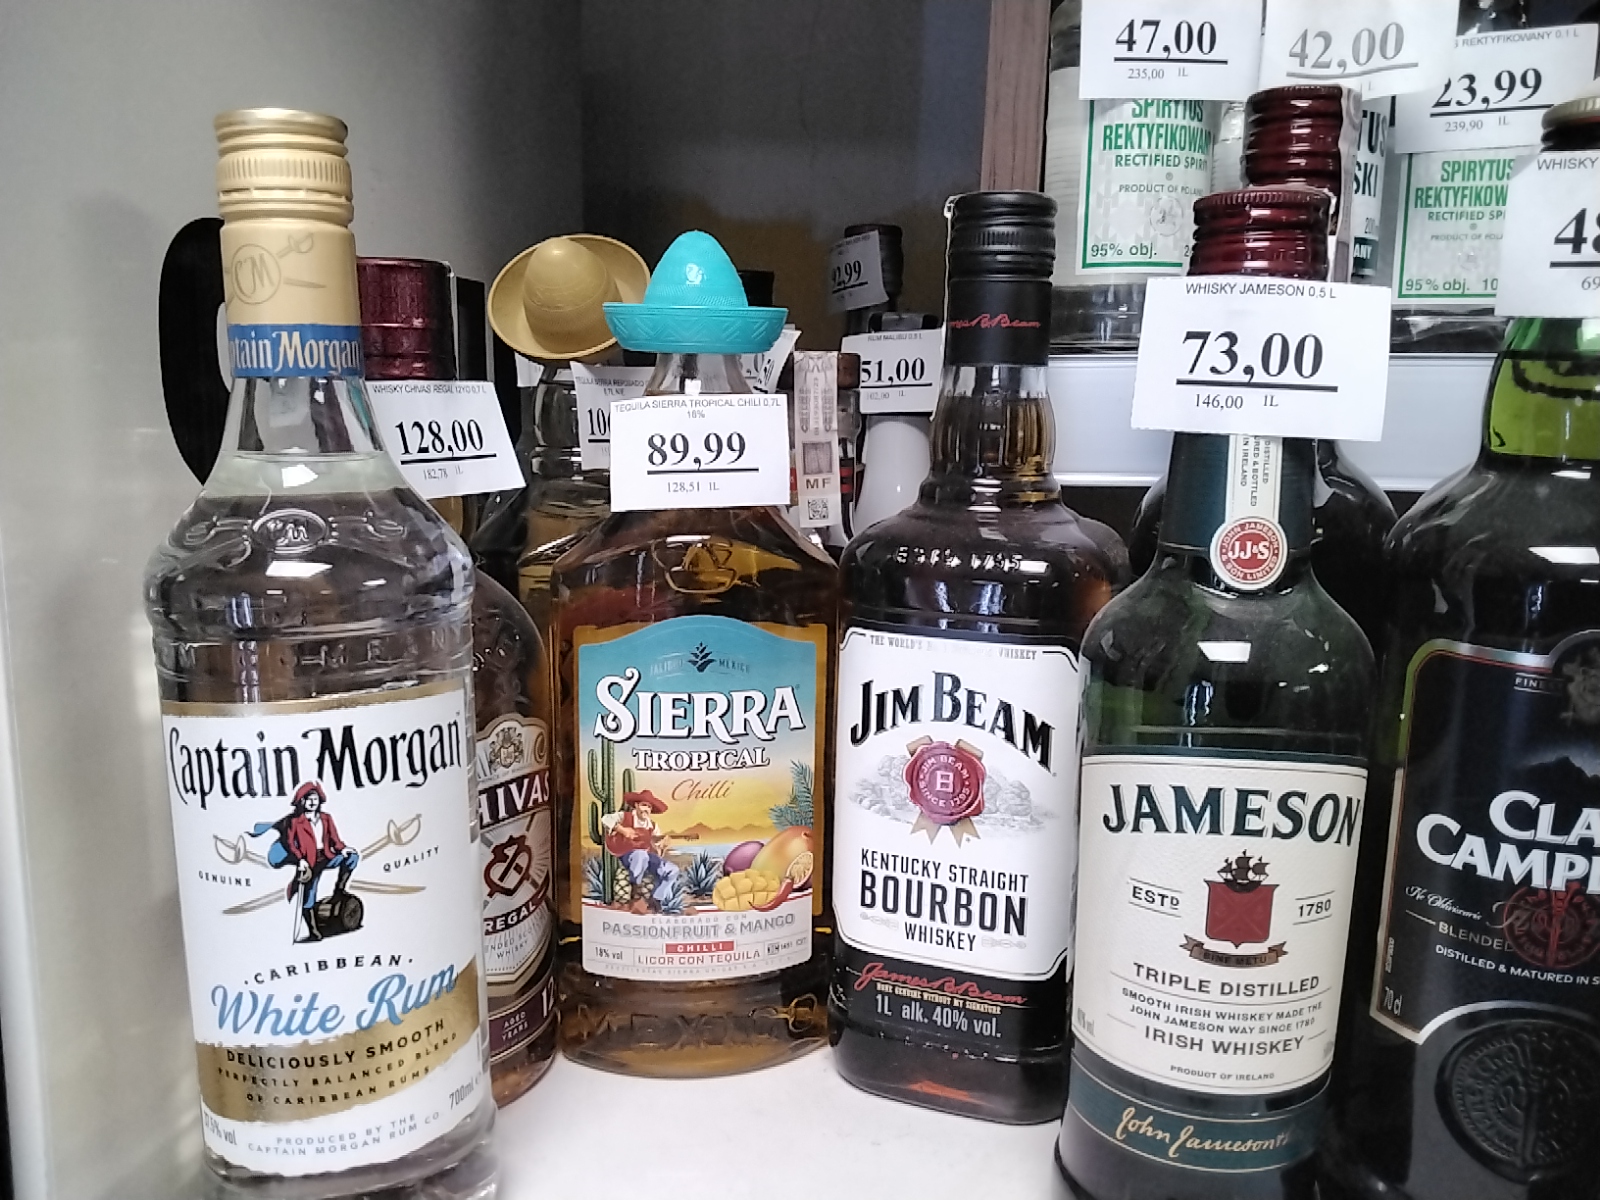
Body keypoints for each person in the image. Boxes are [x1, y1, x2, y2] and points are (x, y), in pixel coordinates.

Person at [282, 781, 360, 941]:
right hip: (310, 862)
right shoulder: (295, 822)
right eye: (308, 799)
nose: (312, 802)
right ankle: (314, 932)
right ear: (302, 801)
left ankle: (339, 890)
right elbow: (291, 844)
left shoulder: (326, 818)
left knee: (352, 857)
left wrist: (342, 849)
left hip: (326, 855)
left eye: (315, 799)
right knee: (309, 897)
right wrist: (300, 860)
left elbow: (334, 838)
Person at [600, 790, 680, 911]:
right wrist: (622, 830)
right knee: (640, 855)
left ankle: (656, 899)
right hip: (627, 855)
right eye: (644, 805)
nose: (646, 809)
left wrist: (662, 846)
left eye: (649, 807)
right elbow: (605, 819)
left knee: (672, 870)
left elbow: (656, 849)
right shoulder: (624, 816)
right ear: (636, 805)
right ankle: (636, 891)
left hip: (646, 857)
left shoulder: (653, 826)